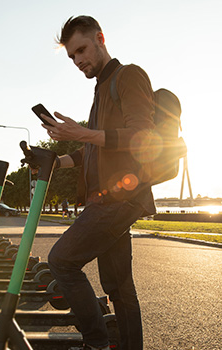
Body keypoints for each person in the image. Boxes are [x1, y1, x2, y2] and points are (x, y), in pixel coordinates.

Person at [40, 16, 156, 350]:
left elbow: (141, 135)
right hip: (108, 199)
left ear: (100, 38)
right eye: (71, 56)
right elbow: (93, 146)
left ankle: (96, 343)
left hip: (119, 198)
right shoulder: (101, 88)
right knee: (119, 288)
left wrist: (82, 132)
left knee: (61, 260)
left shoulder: (128, 76)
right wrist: (56, 159)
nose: (78, 60)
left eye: (81, 49)